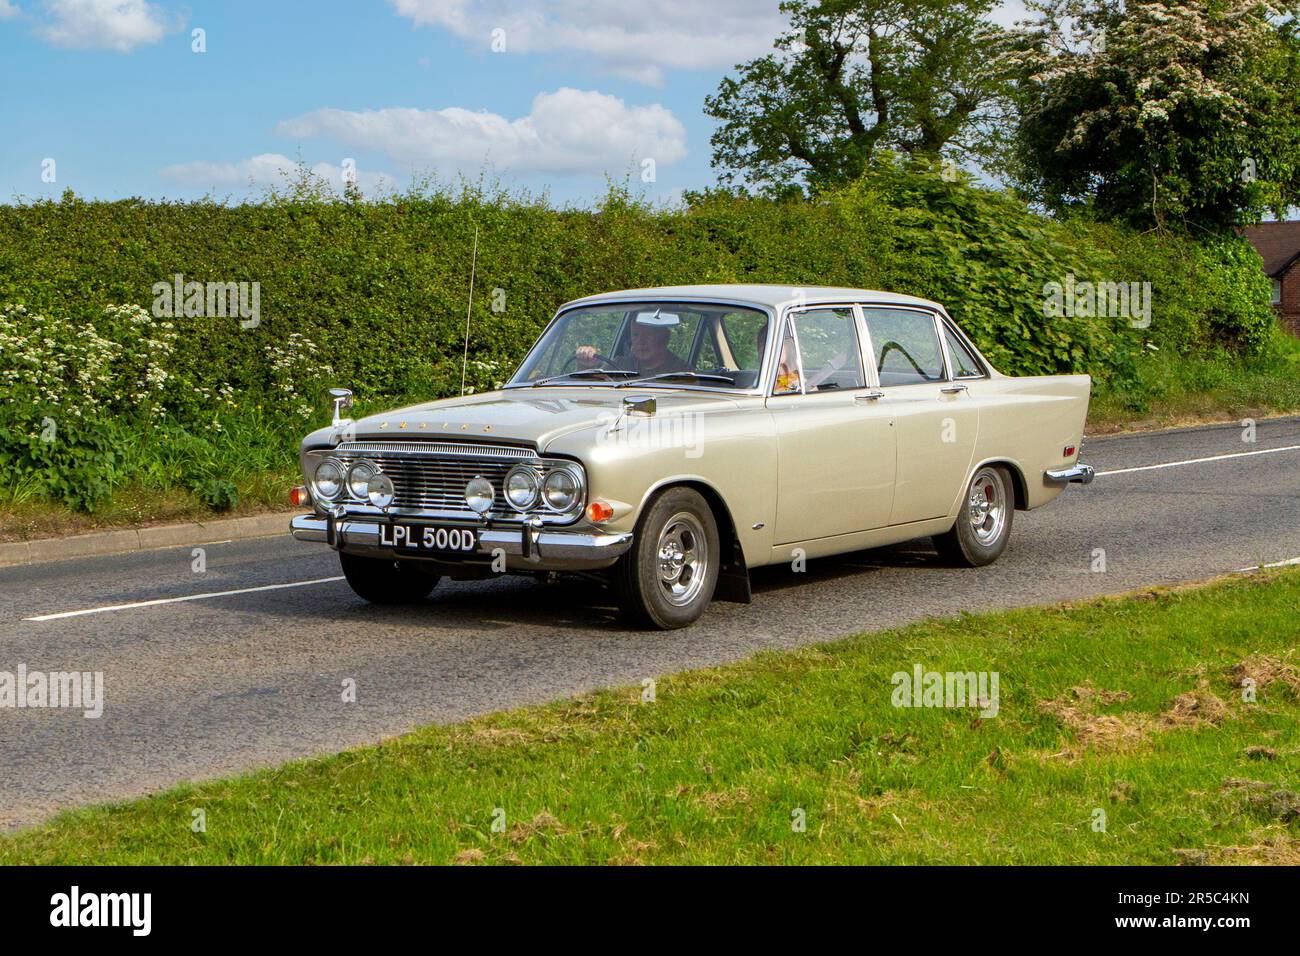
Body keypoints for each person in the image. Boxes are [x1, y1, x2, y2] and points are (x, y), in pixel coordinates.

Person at [576, 313, 690, 377]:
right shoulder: (620, 365)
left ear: (664, 338)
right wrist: (585, 365)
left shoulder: (682, 372)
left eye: (648, 335)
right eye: (635, 335)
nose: (641, 341)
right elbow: (593, 396)